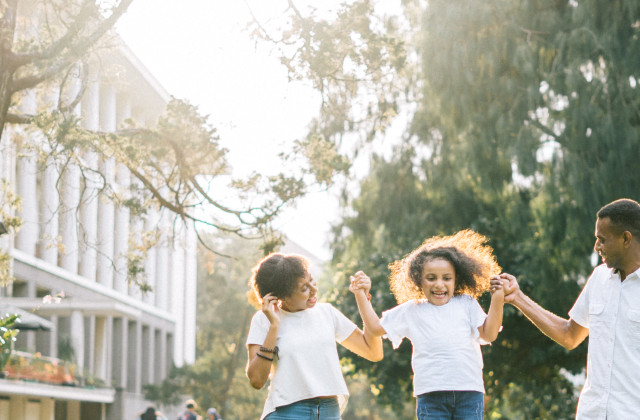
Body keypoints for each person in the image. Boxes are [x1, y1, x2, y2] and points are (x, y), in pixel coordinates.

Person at [492, 198, 640, 419]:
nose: (596, 247)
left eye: (602, 239)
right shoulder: (599, 278)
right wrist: (517, 298)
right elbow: (570, 335)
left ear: (626, 238)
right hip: (592, 413)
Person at [350, 229, 506, 419]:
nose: (439, 284)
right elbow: (374, 328)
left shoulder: (467, 303)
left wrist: (497, 298)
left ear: (456, 279)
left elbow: (489, 334)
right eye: (431, 278)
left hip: (469, 393)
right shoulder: (411, 310)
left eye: (446, 278)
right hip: (431, 396)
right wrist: (361, 295)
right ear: (418, 281)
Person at [245, 252, 383, 420]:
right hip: (285, 413)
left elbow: (373, 352)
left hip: (328, 412)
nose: (314, 290)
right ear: (282, 297)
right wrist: (274, 327)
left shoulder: (327, 313)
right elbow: (257, 380)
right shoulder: (263, 320)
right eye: (304, 288)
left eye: (311, 280)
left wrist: (362, 297)